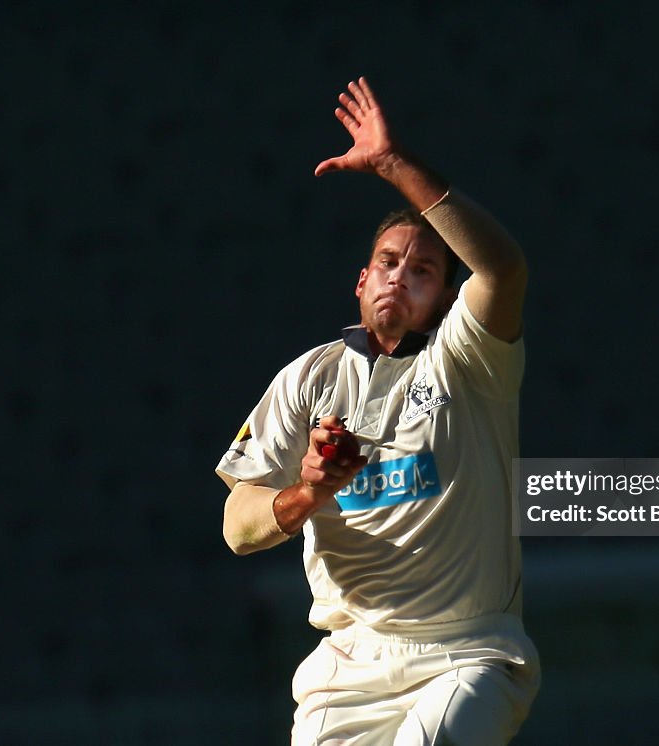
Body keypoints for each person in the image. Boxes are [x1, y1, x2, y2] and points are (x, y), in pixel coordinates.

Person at [216, 77, 540, 745]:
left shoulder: (469, 359)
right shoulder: (309, 379)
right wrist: (306, 492)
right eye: (387, 263)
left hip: (468, 653)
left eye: (423, 271)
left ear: (449, 300)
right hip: (350, 664)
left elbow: (503, 270)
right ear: (361, 280)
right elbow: (238, 529)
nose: (399, 276)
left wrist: (392, 165)